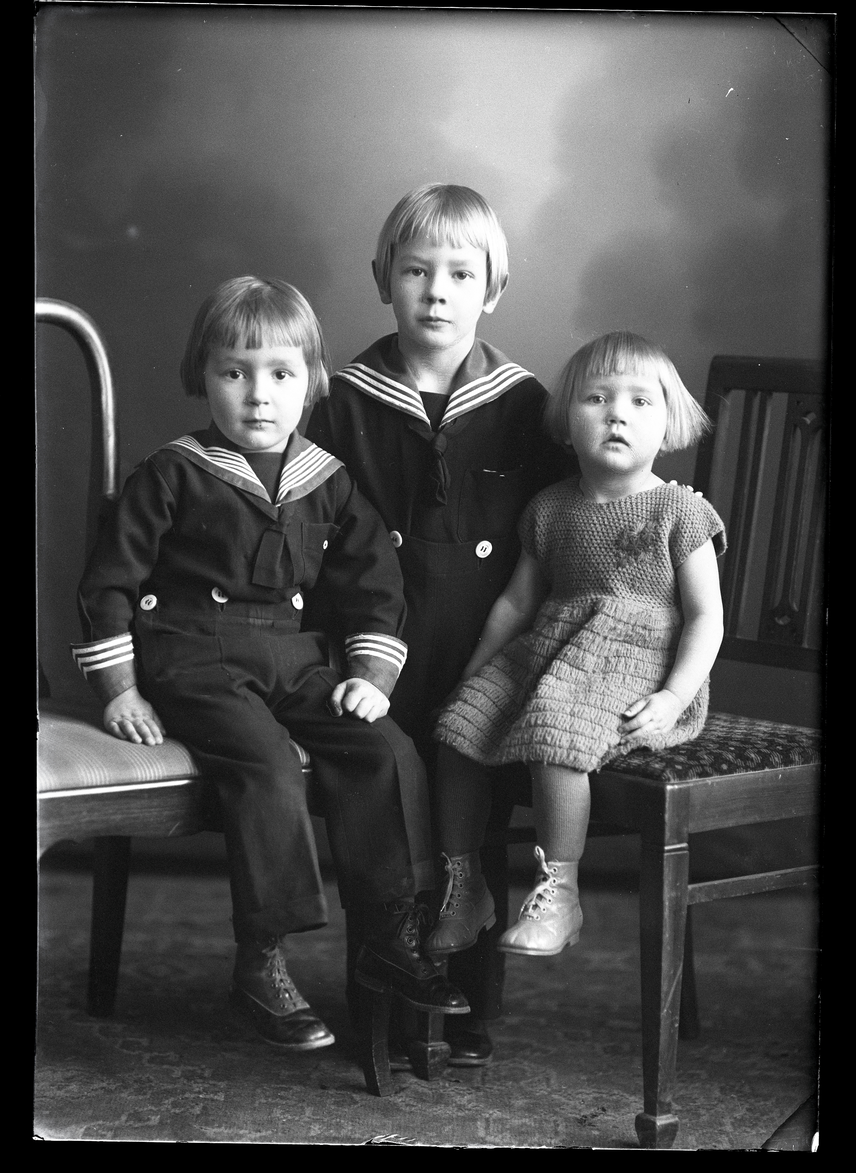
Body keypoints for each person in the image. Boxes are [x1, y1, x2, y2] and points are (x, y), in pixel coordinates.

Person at [72, 275, 468, 1055]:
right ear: (203, 376)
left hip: (294, 657)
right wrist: (119, 688)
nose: (259, 395)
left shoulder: (328, 481)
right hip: (194, 656)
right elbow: (107, 584)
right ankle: (261, 957)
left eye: (281, 374)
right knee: (266, 761)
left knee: (385, 751)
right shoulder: (176, 472)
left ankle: (389, 935)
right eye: (235, 372)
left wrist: (371, 678)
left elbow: (374, 588)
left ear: (311, 381)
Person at [305, 184, 572, 1066]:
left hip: (485, 646)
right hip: (375, 649)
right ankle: (379, 1008)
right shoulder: (342, 402)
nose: (437, 291)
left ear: (494, 289)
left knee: (474, 820)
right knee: (384, 811)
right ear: (382, 278)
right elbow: (309, 525)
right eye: (416, 271)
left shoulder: (525, 405)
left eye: (461, 274)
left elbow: (565, 525)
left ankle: (469, 1017)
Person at [427, 331, 725, 960]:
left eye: (641, 402)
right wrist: (474, 672)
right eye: (597, 398)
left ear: (669, 423)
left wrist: (675, 696)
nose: (617, 414)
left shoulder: (680, 512)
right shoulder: (550, 508)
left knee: (555, 733)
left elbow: (706, 619)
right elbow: (517, 604)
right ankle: (467, 886)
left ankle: (560, 893)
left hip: (640, 663)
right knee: (456, 727)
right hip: (554, 650)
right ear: (565, 421)